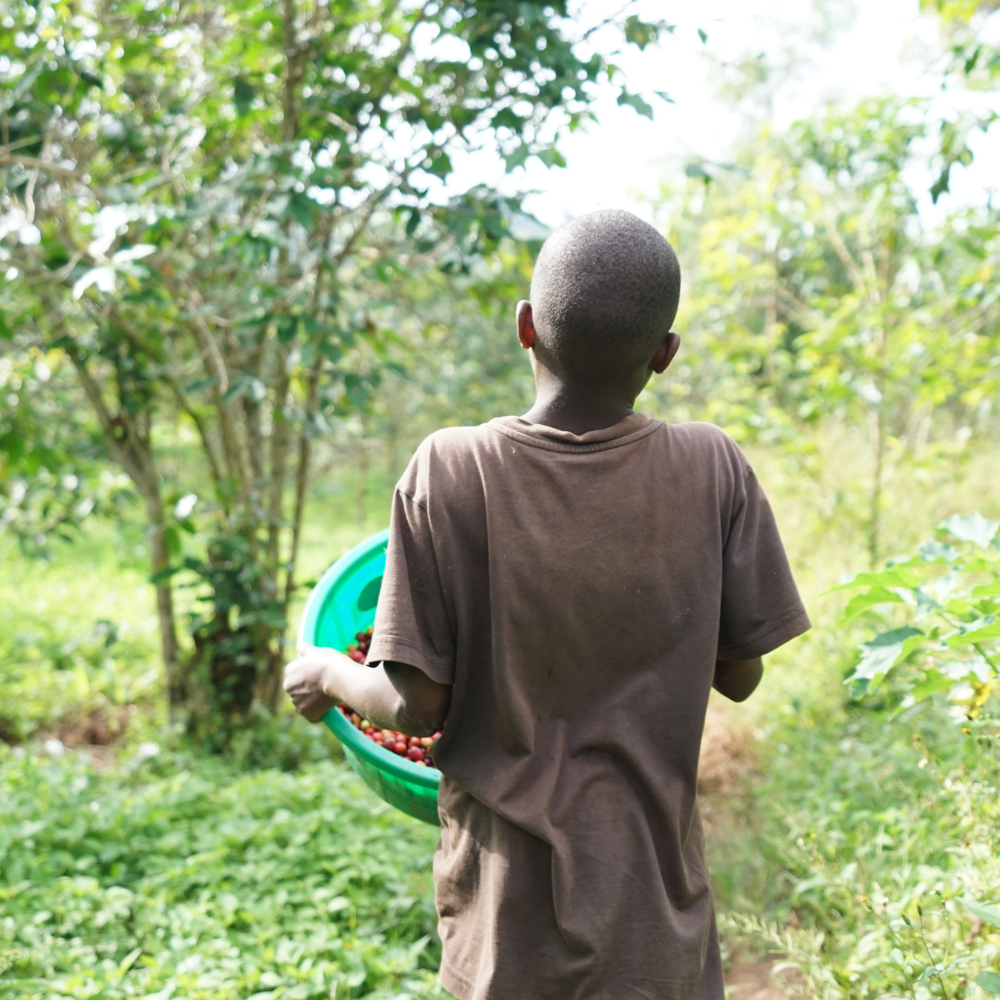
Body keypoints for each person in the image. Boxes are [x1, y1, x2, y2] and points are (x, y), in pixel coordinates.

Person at [284, 209, 810, 1000]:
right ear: (664, 355)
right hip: (655, 922)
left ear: (525, 327)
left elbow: (414, 702)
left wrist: (327, 671)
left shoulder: (452, 468)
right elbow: (739, 673)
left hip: (507, 931)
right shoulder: (712, 467)